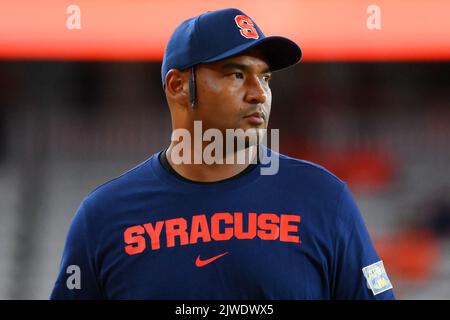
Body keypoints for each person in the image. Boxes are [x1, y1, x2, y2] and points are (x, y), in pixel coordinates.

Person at [50, 8, 395, 300]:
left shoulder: (324, 200)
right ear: (178, 86)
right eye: (236, 74)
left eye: (266, 78)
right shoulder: (104, 217)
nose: (259, 94)